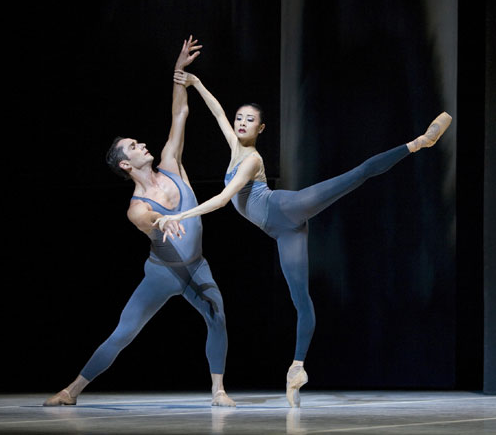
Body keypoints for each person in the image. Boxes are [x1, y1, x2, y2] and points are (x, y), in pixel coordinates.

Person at [157, 70, 452, 408]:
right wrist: (196, 85)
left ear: (260, 129)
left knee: (355, 175)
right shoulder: (233, 144)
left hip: (284, 207)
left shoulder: (251, 160)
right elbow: (218, 111)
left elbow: (224, 199)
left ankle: (418, 142)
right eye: (240, 118)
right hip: (282, 230)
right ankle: (297, 368)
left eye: (249, 120)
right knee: (300, 299)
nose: (241, 123)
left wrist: (178, 215)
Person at [43, 37, 236, 408]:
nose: (141, 145)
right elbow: (148, 220)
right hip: (162, 274)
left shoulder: (171, 163)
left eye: (137, 142)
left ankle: (218, 391)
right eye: (133, 146)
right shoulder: (136, 207)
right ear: (125, 166)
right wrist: (162, 221)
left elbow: (180, 114)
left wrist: (179, 71)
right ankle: (71, 391)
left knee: (218, 316)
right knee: (124, 332)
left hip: (196, 268)